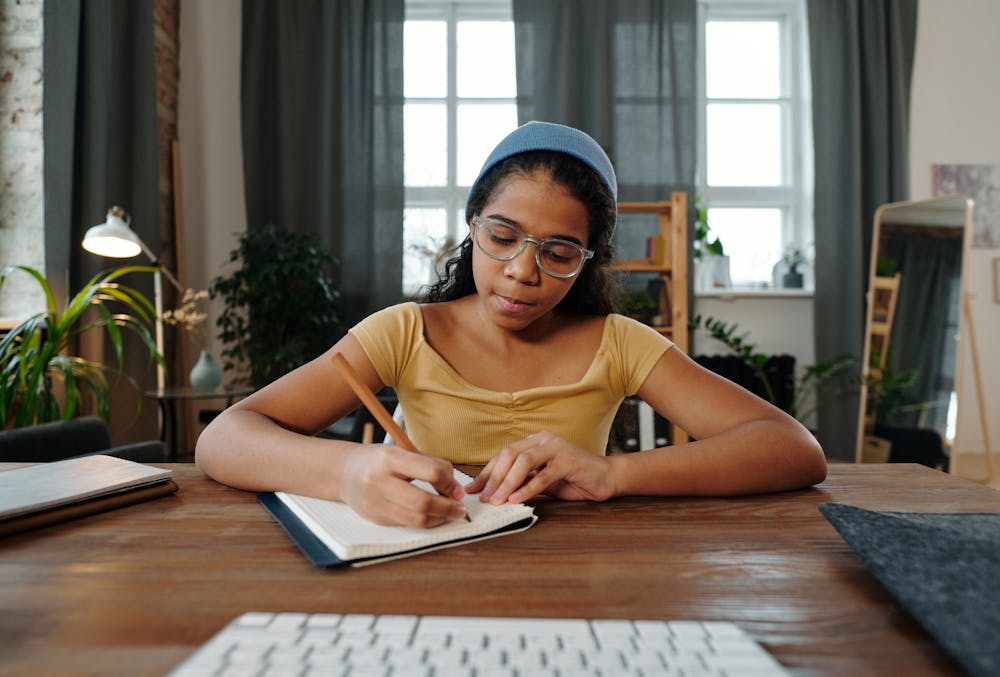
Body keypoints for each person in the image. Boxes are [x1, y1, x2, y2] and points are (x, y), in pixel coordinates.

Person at [196, 121, 827, 528]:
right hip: (407, 562)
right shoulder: (406, 332)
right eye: (502, 237)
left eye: (556, 253)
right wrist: (346, 471)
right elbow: (224, 438)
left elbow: (794, 451)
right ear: (471, 229)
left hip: (575, 577)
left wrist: (614, 473)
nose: (522, 271)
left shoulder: (621, 345)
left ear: (587, 263)